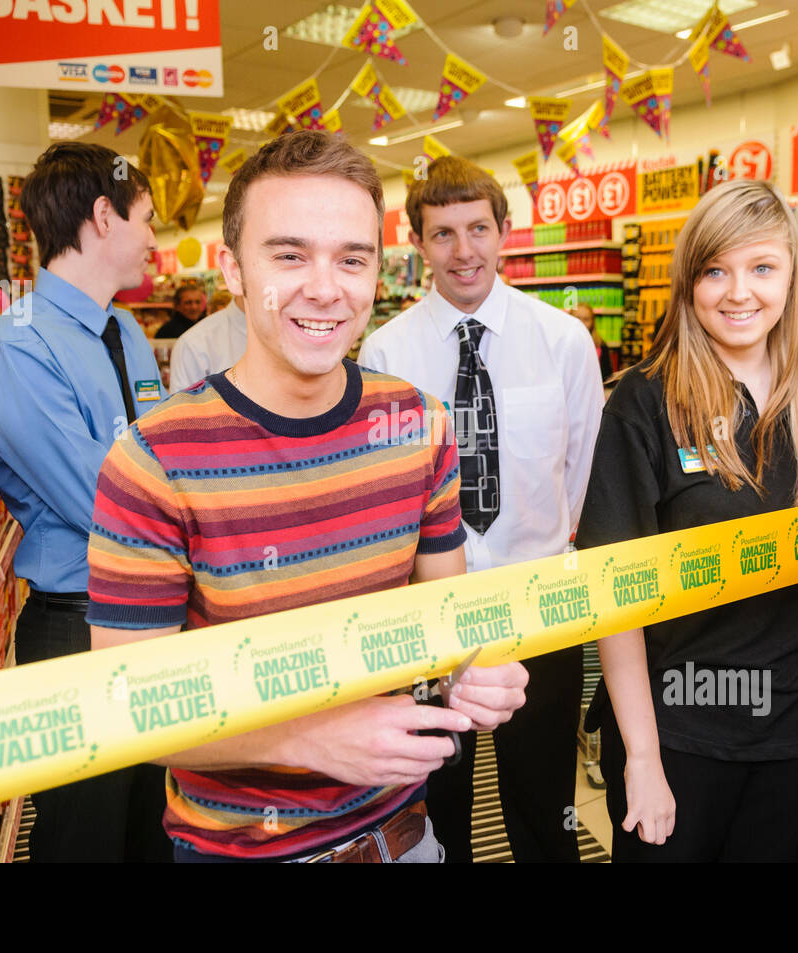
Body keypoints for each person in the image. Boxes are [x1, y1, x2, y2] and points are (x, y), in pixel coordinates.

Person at [85, 130, 529, 863]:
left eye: (351, 259)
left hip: (406, 840)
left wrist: (474, 671)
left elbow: (447, 623)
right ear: (231, 269)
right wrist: (312, 737)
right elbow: (128, 705)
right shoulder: (152, 460)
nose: (325, 288)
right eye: (289, 255)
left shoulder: (420, 426)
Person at [575, 178, 798, 862]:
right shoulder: (642, 404)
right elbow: (615, 594)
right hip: (681, 732)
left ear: (790, 277)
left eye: (761, 268)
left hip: (793, 727)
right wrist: (641, 757)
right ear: (689, 283)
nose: (738, 291)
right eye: (715, 270)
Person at [358, 156, 604, 863]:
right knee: (441, 806)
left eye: (477, 229)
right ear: (418, 244)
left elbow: (584, 470)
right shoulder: (385, 351)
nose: (462, 251)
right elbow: (385, 491)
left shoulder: (562, 341)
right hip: (430, 620)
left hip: (541, 610)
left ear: (504, 232)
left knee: (544, 802)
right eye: (442, 234)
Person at [0, 141, 171, 862]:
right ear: (103, 215)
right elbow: (108, 500)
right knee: (83, 842)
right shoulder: (19, 348)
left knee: (156, 830)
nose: (155, 238)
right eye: (147, 218)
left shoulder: (128, 333)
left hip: (154, 625)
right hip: (76, 631)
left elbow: (165, 458)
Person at [168, 288, 246, 391]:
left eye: (197, 302)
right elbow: (183, 404)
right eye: (188, 303)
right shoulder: (194, 342)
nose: (194, 307)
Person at [569, 303, 616, 381]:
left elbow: (607, 376)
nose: (581, 323)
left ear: (592, 322)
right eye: (578, 318)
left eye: (586, 319)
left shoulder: (601, 345)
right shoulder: (562, 343)